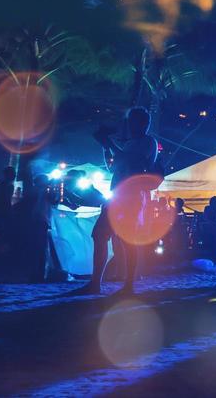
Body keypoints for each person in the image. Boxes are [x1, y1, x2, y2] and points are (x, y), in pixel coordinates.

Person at [79, 106, 159, 295]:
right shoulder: (132, 143)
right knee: (100, 235)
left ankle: (127, 285)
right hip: (118, 195)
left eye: (131, 122)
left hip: (131, 197)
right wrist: (106, 148)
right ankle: (98, 283)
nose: (128, 126)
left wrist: (109, 144)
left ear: (142, 123)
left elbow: (127, 159)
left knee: (126, 240)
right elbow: (113, 168)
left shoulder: (149, 142)